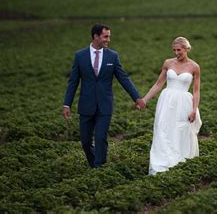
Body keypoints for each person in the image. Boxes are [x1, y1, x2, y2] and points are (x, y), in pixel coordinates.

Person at [62, 24, 145, 168]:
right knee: (86, 142)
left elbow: (123, 78)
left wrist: (137, 98)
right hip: (86, 105)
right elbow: (73, 82)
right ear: (96, 36)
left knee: (101, 138)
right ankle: (94, 164)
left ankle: (99, 167)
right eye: (105, 36)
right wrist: (66, 104)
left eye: (109, 37)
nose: (108, 40)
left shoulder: (112, 56)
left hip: (105, 105)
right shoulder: (80, 56)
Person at [141, 36, 202, 175]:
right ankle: (161, 163)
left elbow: (196, 91)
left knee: (180, 131)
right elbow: (158, 84)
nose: (176, 53)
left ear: (187, 49)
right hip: (167, 100)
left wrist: (194, 109)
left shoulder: (194, 67)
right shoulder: (168, 63)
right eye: (174, 50)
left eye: (179, 50)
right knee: (163, 130)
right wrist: (145, 100)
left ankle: (179, 163)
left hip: (184, 102)